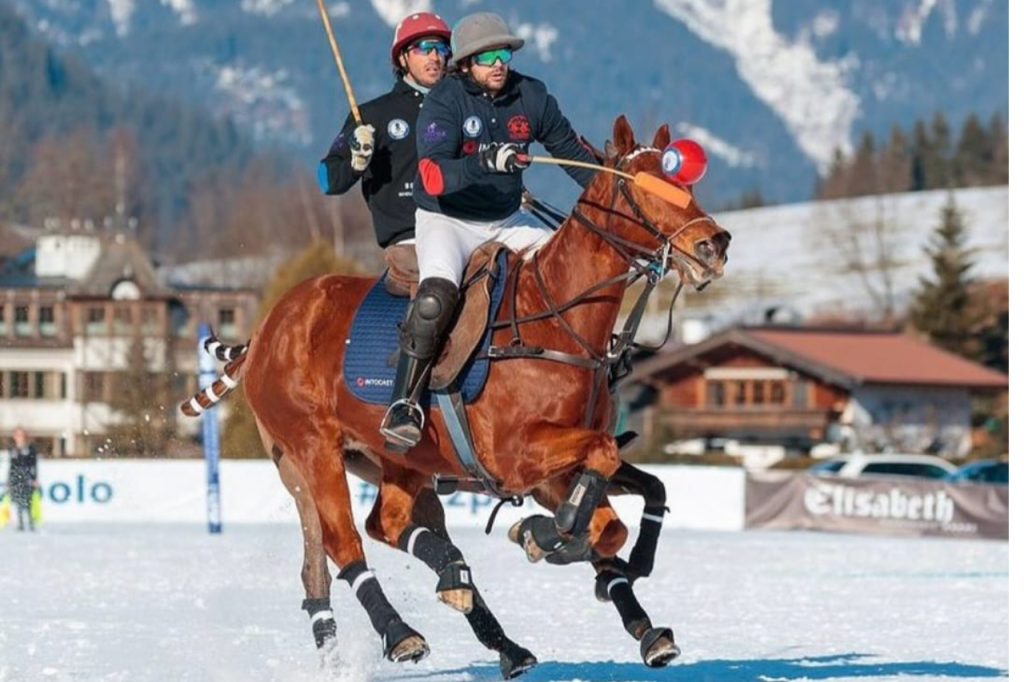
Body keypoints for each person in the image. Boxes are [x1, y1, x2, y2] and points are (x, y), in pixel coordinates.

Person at [380, 11, 597, 448]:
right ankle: (405, 402)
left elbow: (574, 154)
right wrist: (486, 161)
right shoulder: (444, 100)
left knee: (574, 275)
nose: (498, 63)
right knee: (435, 295)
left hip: (507, 220)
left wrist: (617, 187)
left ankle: (595, 383)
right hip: (448, 219)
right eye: (486, 57)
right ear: (464, 64)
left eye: (504, 53)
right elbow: (433, 176)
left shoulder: (532, 96)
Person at [318, 11, 452, 259]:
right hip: (410, 238)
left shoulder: (461, 108)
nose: (434, 56)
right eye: (425, 48)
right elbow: (328, 179)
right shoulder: (372, 115)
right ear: (402, 58)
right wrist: (355, 162)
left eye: (441, 48)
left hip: (465, 228)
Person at [7, 427, 39, 532]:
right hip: (16, 478)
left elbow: (34, 464)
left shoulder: (30, 448)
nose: (18, 437)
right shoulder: (12, 449)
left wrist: (35, 478)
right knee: (18, 501)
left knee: (28, 501)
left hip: (27, 477)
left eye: (20, 435)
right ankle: (20, 524)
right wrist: (9, 480)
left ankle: (31, 523)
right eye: (16, 435)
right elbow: (11, 466)